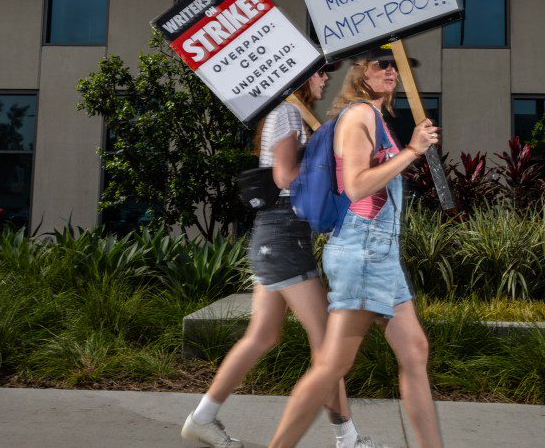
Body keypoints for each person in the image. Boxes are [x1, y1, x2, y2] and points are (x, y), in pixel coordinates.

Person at [182, 64, 377, 448]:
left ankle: (201, 418)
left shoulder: (290, 113)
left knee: (262, 335)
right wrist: (330, 157)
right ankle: (348, 439)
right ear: (302, 78)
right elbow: (285, 176)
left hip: (276, 235)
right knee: (326, 344)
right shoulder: (287, 111)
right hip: (284, 235)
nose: (325, 80)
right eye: (320, 74)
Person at [269, 47, 443, 448]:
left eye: (395, 66)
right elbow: (358, 185)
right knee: (332, 366)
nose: (391, 71)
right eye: (381, 64)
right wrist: (413, 151)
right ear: (361, 72)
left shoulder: (377, 118)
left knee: (415, 351)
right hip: (362, 251)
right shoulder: (360, 115)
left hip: (380, 254)